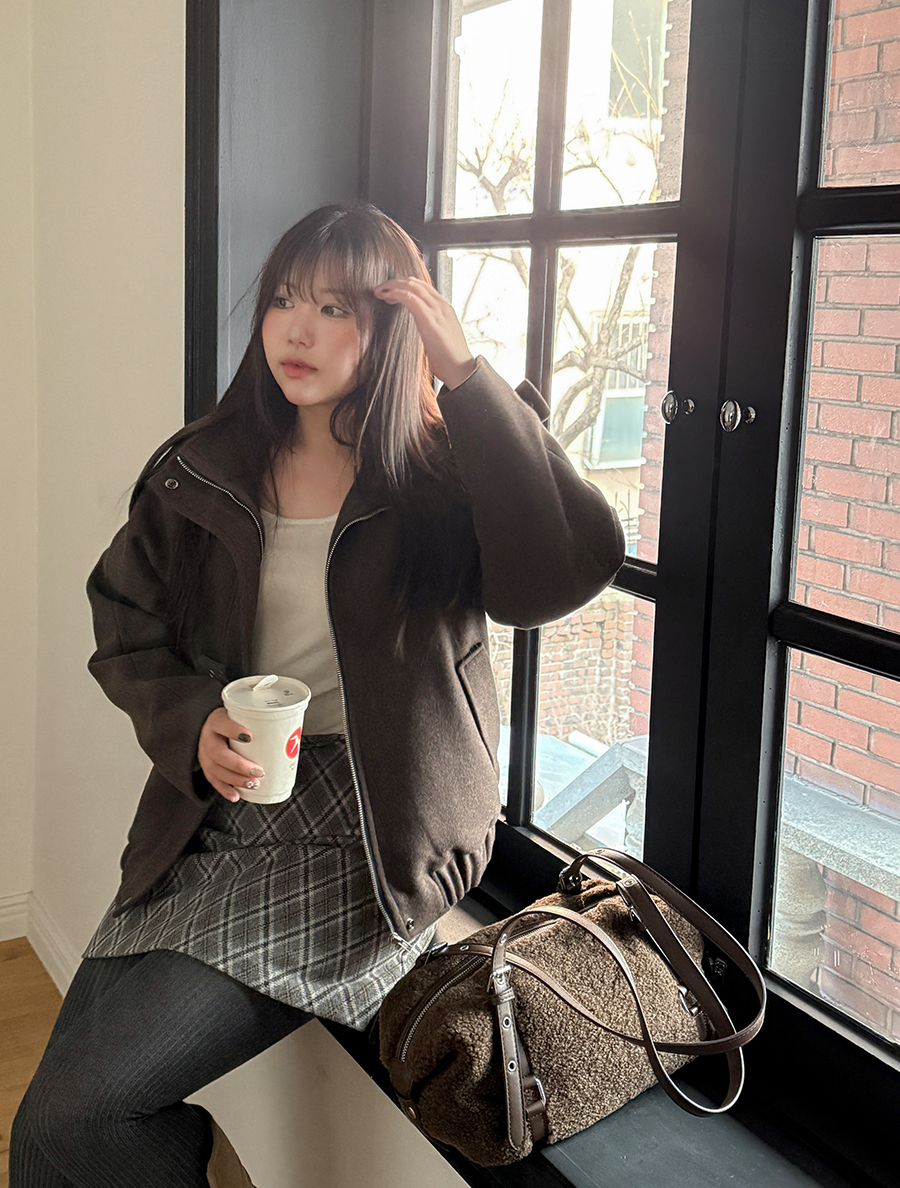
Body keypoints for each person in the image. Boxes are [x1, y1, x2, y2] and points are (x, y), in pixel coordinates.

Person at [10, 203, 625, 1187]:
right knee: (55, 1122)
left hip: (375, 832)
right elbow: (123, 619)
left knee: (75, 1117)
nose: (297, 330)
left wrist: (466, 377)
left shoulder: (437, 472)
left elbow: (561, 571)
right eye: (285, 301)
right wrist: (193, 724)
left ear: (395, 325)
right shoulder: (204, 467)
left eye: (336, 308)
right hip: (227, 807)